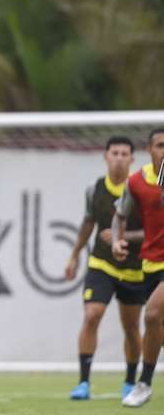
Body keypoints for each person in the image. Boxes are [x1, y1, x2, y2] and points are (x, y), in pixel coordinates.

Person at [64, 137, 145, 400]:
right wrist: (74, 256)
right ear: (106, 157)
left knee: (131, 326)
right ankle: (84, 382)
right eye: (115, 153)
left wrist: (124, 236)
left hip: (134, 268)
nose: (119, 157)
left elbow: (153, 230)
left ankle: (130, 382)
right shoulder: (95, 189)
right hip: (101, 264)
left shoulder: (140, 189)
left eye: (125, 153)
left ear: (132, 159)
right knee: (92, 315)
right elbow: (88, 224)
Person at [114, 128, 164, 407]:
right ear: (149, 149)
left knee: (152, 314)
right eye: (160, 145)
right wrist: (117, 242)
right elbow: (119, 214)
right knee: (159, 328)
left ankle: (143, 383)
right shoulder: (137, 182)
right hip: (151, 263)